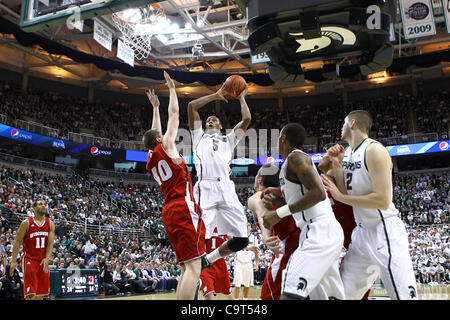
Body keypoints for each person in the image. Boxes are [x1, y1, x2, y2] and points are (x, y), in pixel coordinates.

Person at [321, 110, 418, 300]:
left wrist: (341, 197)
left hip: (384, 230)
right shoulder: (348, 153)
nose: (341, 127)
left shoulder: (375, 150)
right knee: (341, 294)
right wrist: (337, 166)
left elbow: (382, 200)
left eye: (343, 123)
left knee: (404, 296)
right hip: (361, 233)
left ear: (352, 124)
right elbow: (346, 192)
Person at [262, 123, 345, 300]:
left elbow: (318, 193)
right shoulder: (290, 164)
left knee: (290, 290)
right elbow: (301, 198)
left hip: (318, 230)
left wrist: (278, 213)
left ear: (283, 138)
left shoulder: (296, 158)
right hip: (322, 230)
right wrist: (277, 197)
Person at [143, 71, 205, 300]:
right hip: (182, 206)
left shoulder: (150, 158)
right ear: (160, 139)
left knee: (185, 268)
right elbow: (175, 114)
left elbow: (153, 133)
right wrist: (172, 90)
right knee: (195, 268)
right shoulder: (166, 144)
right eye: (161, 135)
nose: (164, 134)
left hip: (168, 210)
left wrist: (154, 108)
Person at [187, 81, 251, 267]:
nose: (210, 121)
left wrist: (241, 98)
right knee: (198, 237)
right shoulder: (198, 137)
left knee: (242, 239)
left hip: (225, 186)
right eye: (208, 120)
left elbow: (246, 120)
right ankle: (193, 271)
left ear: (221, 126)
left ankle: (209, 259)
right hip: (205, 186)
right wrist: (215, 95)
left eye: (214, 120)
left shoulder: (228, 140)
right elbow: (192, 106)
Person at [318, 151, 372, 300]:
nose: (326, 159)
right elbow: (322, 165)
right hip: (350, 245)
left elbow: (327, 166)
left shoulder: (346, 184)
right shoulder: (323, 183)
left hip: (363, 243)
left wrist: (335, 160)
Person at [248, 163, 301, 300]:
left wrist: (265, 236)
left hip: (289, 249)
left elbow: (260, 207)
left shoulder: (261, 196)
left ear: (260, 180)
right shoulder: (284, 192)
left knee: (268, 296)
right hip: (305, 243)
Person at [9, 199, 55, 300]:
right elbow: (17, 242)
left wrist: (47, 258)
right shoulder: (26, 223)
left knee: (40, 295)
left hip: (43, 261)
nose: (43, 206)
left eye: (44, 204)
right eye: (40, 204)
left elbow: (50, 244)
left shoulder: (50, 224)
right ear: (34, 208)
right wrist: (13, 260)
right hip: (29, 259)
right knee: (31, 294)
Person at [199, 226, 233, 300]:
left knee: (229, 294)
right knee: (208, 294)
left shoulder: (224, 226)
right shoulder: (204, 223)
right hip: (206, 264)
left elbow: (235, 242)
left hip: (220, 264)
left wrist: (247, 248)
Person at [232, 223, 259, 300]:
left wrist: (256, 264)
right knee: (237, 284)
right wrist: (248, 248)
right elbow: (236, 247)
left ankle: (245, 299)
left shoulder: (254, 238)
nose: (246, 226)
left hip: (248, 263)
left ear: (251, 228)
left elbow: (256, 252)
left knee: (247, 285)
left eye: (248, 225)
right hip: (238, 262)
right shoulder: (238, 236)